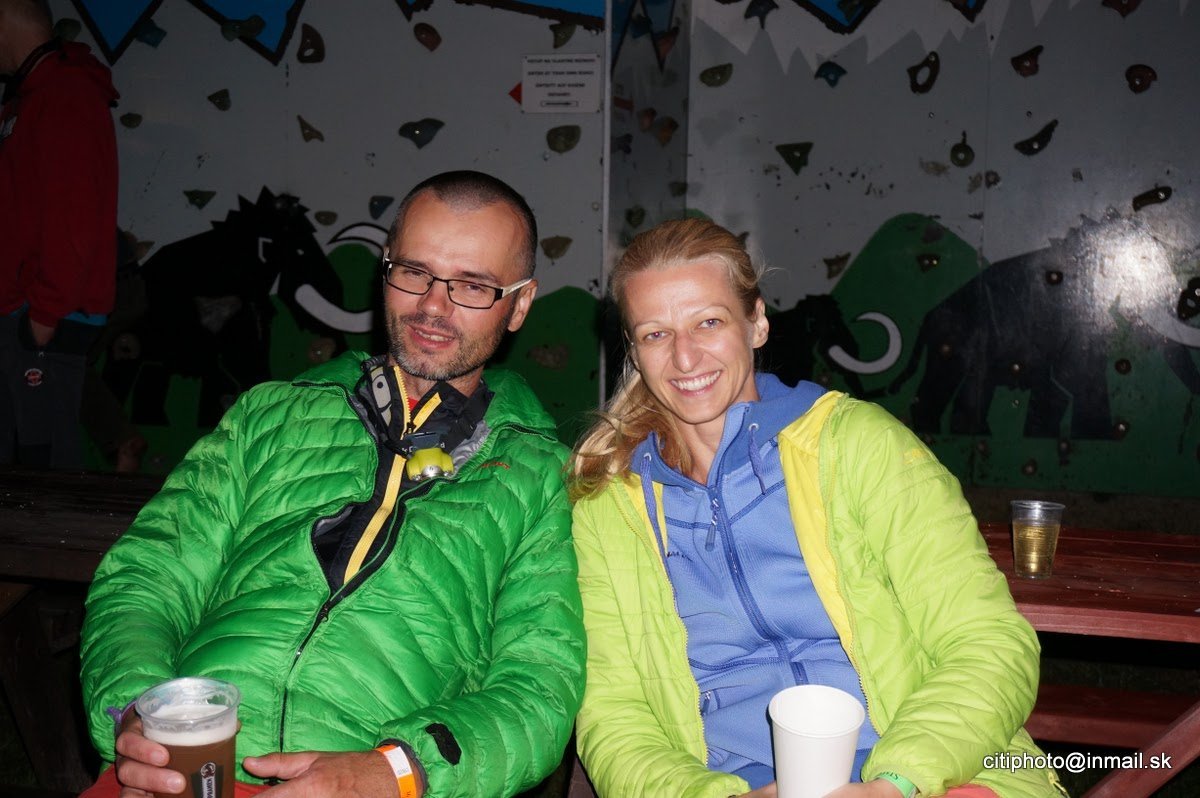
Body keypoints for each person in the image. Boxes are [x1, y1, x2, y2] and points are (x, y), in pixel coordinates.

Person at [79, 170, 586, 797]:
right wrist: (138, 709)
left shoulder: (544, 479)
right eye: (414, 272)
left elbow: (539, 687)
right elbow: (148, 576)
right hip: (183, 763)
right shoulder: (270, 415)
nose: (433, 306)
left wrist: (397, 772)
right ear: (385, 267)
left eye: (473, 286)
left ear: (521, 304)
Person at [568, 218, 1066, 798]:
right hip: (731, 781)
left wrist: (894, 783)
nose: (684, 357)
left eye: (709, 322)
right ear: (633, 350)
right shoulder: (607, 506)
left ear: (756, 322)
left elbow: (987, 641)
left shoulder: (859, 447)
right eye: (656, 334)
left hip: (924, 767)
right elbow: (614, 713)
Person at [0, 0, 119, 468]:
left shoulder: (65, 93)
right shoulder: (28, 96)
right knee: (21, 460)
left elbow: (76, 215)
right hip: (25, 307)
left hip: (41, 311)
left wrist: (45, 313)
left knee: (41, 465)